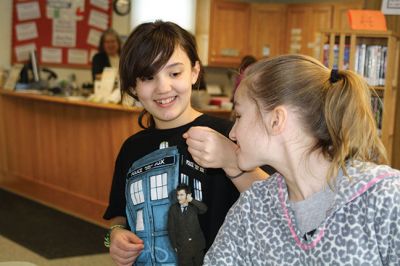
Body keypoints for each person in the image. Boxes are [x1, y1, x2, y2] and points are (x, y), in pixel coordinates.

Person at [204, 54, 400, 265]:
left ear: (276, 120)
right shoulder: (252, 208)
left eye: (239, 116)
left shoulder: (385, 197)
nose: (232, 133)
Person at [103, 20, 267, 266]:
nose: (163, 87)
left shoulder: (231, 134)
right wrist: (114, 234)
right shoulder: (131, 149)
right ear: (133, 87)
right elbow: (118, 212)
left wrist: (232, 160)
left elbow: (278, 203)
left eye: (174, 73)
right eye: (148, 77)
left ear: (194, 72)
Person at [168, 184, 207, 266]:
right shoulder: (173, 209)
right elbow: (171, 229)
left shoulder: (194, 206)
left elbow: (204, 209)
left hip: (198, 246)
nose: (179, 197)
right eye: (178, 195)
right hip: (183, 249)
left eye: (181, 195)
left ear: (188, 195)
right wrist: (175, 246)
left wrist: (192, 200)